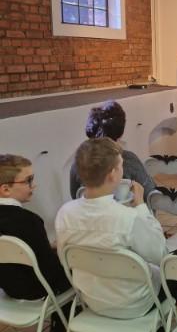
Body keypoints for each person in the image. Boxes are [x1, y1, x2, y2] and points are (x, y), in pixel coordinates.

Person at [57, 138, 167, 319]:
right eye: (121, 165)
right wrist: (141, 207)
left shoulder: (65, 214)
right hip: (136, 304)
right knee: (176, 273)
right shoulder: (128, 218)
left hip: (92, 300)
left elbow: (65, 259)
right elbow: (160, 255)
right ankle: (157, 331)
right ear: (113, 174)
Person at [0, 154, 70, 301]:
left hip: (10, 290)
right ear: (6, 189)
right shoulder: (29, 221)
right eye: (28, 180)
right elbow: (50, 270)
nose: (34, 185)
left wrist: (47, 248)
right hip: (38, 291)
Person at [70, 101, 155, 201]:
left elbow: (75, 195)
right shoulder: (129, 160)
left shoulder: (79, 162)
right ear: (121, 132)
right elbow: (150, 194)